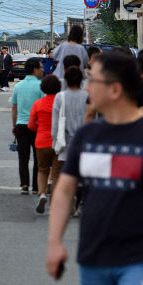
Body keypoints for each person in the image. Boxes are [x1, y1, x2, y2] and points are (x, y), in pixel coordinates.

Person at [46, 52, 143, 285]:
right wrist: (55, 242)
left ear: (115, 90)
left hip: (141, 257)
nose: (87, 89)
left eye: (93, 81)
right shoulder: (87, 135)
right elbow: (64, 191)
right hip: (93, 257)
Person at [51, 66, 88, 216]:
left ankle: (68, 201)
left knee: (67, 174)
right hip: (84, 141)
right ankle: (80, 204)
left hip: (66, 141)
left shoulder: (61, 97)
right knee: (82, 175)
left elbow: (55, 123)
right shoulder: (88, 96)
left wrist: (55, 141)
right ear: (82, 80)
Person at [28, 74, 62, 214]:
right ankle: (54, 201)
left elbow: (31, 125)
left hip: (41, 141)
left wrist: (39, 130)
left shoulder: (38, 103)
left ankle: (42, 194)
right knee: (56, 173)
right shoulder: (61, 103)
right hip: (58, 142)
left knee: (42, 170)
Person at [11, 57, 45, 194]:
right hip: (37, 126)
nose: (43, 70)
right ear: (35, 69)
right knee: (38, 157)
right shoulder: (41, 86)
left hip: (21, 125)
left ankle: (24, 185)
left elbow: (14, 108)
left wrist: (14, 125)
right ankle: (37, 186)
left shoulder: (18, 86)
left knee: (23, 157)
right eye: (41, 67)